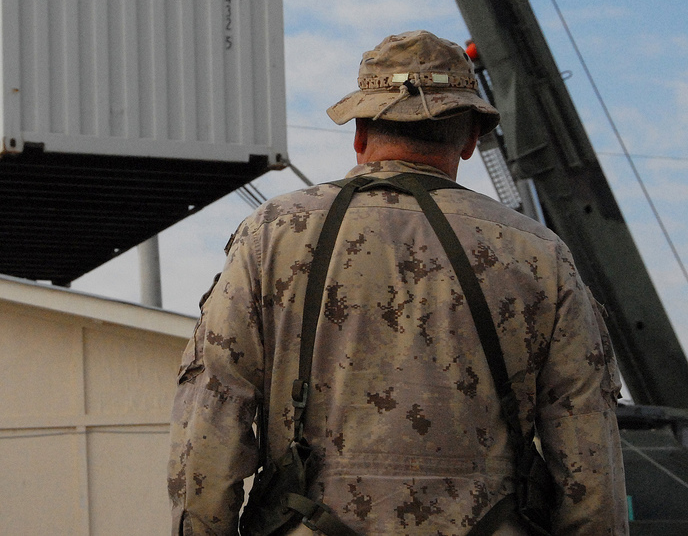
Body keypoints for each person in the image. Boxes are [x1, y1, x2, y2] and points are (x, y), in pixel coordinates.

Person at [168, 30, 627, 535]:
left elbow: (212, 420)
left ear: (360, 132)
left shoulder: (274, 235)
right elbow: (589, 456)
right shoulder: (539, 254)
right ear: (472, 139)